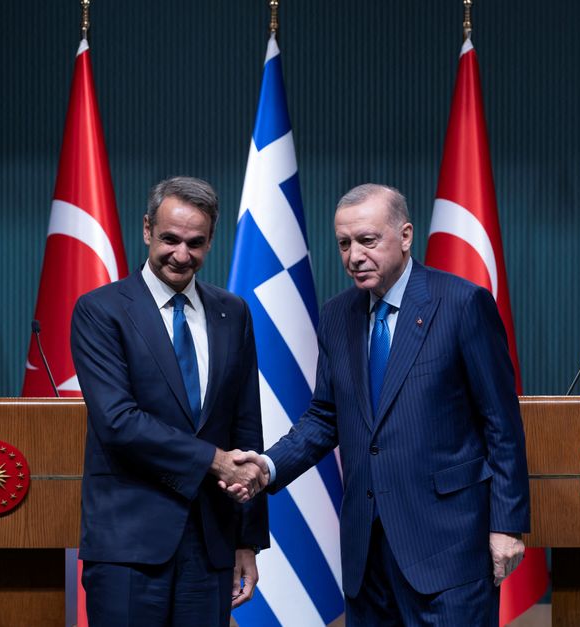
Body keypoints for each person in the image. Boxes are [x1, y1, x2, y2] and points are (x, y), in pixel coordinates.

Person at [226, 183, 529, 625]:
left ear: (405, 236)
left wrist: (506, 525)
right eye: (344, 244)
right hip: (366, 554)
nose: (354, 255)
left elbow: (501, 424)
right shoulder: (337, 314)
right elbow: (325, 416)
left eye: (368, 240)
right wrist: (266, 468)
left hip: (447, 549)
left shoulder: (463, 304)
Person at [71, 176, 269, 627]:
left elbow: (246, 427)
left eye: (195, 243)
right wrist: (215, 461)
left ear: (211, 240)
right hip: (129, 547)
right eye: (170, 239)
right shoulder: (101, 310)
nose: (182, 255)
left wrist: (246, 540)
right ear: (146, 230)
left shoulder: (231, 312)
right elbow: (118, 422)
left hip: (211, 544)